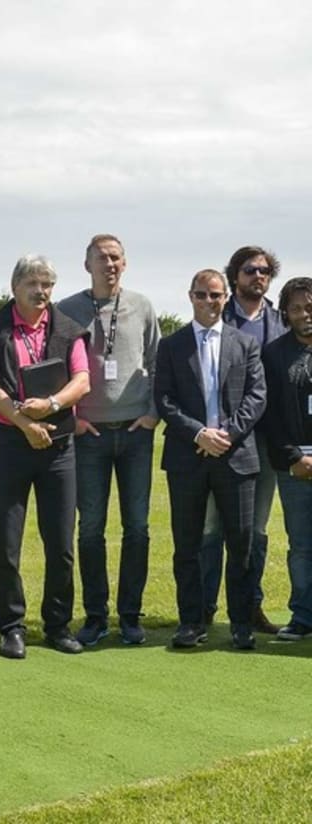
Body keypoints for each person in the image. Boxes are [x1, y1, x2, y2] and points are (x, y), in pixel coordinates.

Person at [0, 254, 90, 659]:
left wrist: (51, 405)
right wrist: (26, 424)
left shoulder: (70, 330)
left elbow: (82, 381)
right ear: (15, 287)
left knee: (60, 543)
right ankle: (11, 627)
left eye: (47, 286)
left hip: (59, 447)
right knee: (6, 543)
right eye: (33, 285)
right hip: (11, 446)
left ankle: (58, 625)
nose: (41, 292)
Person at [57, 234, 159, 646]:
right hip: (89, 435)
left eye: (116, 258)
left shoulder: (143, 306)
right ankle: (96, 617)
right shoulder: (67, 310)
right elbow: (57, 368)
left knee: (137, 527)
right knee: (91, 529)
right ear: (87, 266)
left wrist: (153, 413)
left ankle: (130, 617)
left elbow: (156, 361)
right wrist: (74, 418)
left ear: (125, 263)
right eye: (101, 259)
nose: (109, 265)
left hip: (135, 431)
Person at [155, 269, 265, 650]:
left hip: (236, 457)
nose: (209, 302)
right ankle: (191, 621)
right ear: (190, 297)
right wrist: (199, 433)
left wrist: (227, 434)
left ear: (226, 297)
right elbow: (164, 400)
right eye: (202, 295)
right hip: (188, 456)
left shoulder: (245, 344)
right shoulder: (171, 345)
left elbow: (257, 397)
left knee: (242, 544)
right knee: (187, 544)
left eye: (216, 295)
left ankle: (241, 623)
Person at [199, 246, 284, 634]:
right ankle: (204, 608)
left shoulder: (281, 322)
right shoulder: (218, 315)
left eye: (265, 270)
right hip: (221, 441)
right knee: (212, 527)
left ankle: (251, 606)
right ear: (235, 275)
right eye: (250, 270)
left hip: (267, 442)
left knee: (257, 529)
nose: (258, 276)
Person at [262, 277, 312, 641]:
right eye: (296, 308)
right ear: (285, 314)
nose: (305, 314)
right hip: (295, 464)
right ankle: (303, 616)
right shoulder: (274, 355)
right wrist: (293, 457)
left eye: (310, 307)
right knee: (301, 545)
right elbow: (270, 415)